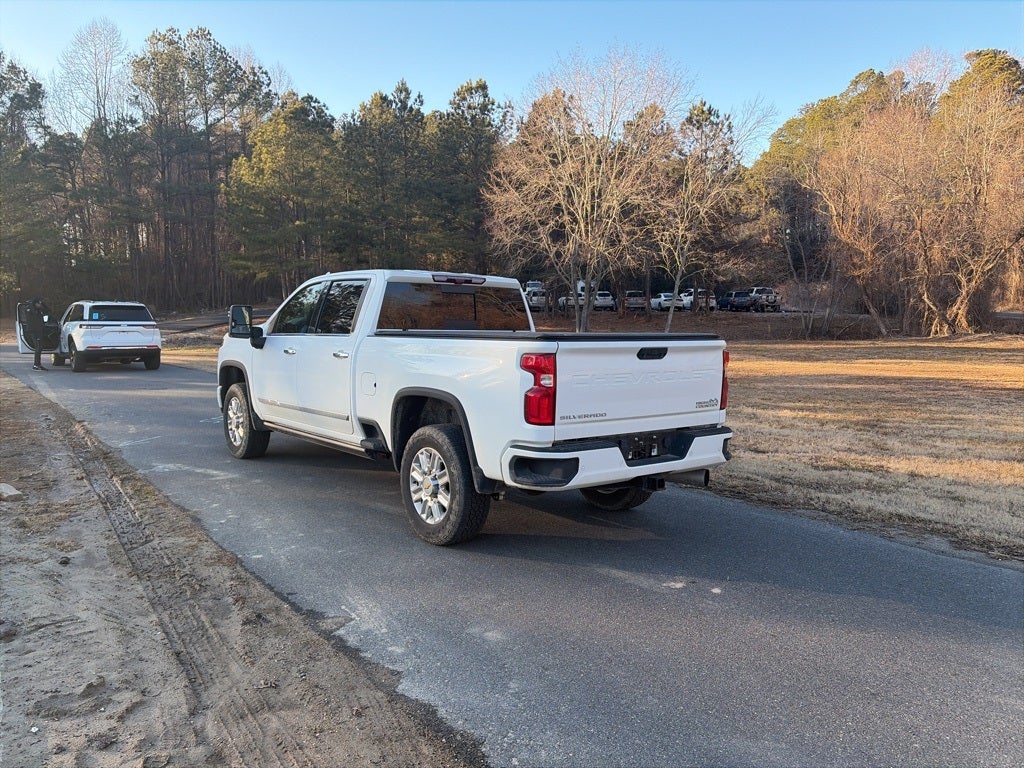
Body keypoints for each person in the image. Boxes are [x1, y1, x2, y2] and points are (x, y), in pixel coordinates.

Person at [25, 297, 50, 371]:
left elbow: (48, 311)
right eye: (39, 303)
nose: (40, 305)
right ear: (35, 303)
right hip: (34, 331)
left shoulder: (39, 310)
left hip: (39, 331)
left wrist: (43, 304)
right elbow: (33, 312)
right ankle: (36, 365)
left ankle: (38, 364)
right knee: (38, 347)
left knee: (39, 348)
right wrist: (33, 304)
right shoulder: (30, 309)